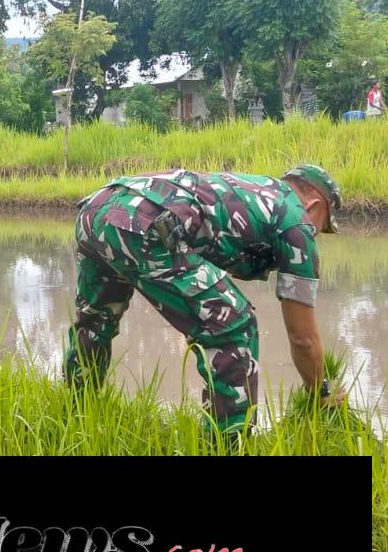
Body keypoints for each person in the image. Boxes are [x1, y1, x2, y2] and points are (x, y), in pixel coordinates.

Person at [62, 164, 345, 437]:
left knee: (95, 319)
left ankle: (76, 414)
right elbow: (302, 337)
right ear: (315, 206)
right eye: (324, 227)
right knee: (234, 327)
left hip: (97, 207)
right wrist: (322, 391)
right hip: (145, 221)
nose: (317, 234)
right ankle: (228, 444)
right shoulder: (297, 221)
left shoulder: (257, 189)